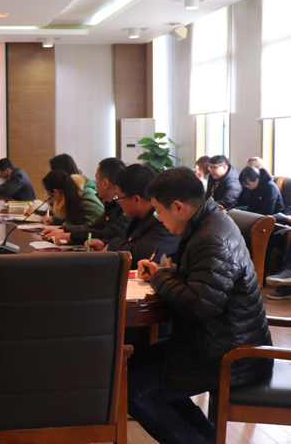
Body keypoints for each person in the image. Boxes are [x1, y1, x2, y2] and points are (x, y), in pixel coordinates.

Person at [129, 167, 272, 444]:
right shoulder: (208, 222)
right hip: (216, 341)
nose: (159, 218)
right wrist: (164, 273)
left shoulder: (211, 237)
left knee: (134, 390)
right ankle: (207, 437)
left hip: (230, 355)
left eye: (158, 212)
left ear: (178, 207)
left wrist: (160, 277)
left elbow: (199, 306)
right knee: (130, 369)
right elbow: (202, 286)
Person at [88, 164, 180, 265]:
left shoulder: (164, 218)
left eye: (119, 197)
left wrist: (111, 245)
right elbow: (130, 243)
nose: (118, 202)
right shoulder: (139, 217)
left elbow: (140, 254)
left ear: (136, 199)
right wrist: (105, 244)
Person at [43, 157, 131, 244]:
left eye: (97, 179)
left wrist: (70, 236)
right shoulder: (111, 205)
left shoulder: (125, 205)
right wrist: (64, 230)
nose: (95, 183)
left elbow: (111, 234)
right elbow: (93, 227)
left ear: (105, 183)